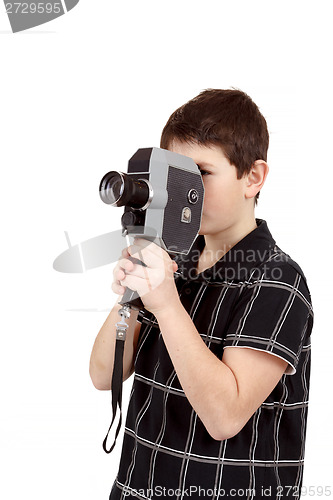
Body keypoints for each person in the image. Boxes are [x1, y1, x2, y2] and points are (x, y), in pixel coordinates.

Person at [89, 89, 313, 500]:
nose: (181, 193)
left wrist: (167, 305)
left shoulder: (278, 280)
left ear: (253, 177)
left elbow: (224, 417)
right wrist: (134, 295)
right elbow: (103, 376)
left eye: (201, 175)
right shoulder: (173, 261)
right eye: (174, 177)